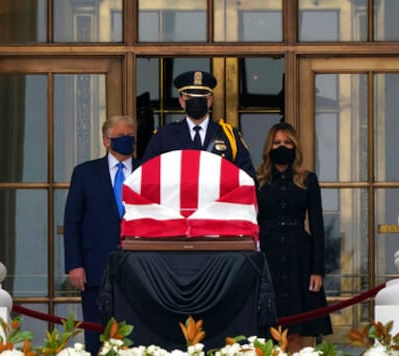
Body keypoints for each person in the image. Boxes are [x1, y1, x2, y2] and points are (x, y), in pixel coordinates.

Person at [63, 115, 140, 354]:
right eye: (121, 137)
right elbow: (72, 222)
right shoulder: (85, 173)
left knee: (136, 336)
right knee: (97, 336)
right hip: (96, 268)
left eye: (131, 136)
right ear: (106, 141)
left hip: (140, 268)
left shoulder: (147, 170)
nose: (127, 140)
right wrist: (75, 265)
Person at [256, 122, 332, 352]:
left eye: (288, 143)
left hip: (298, 256)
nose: (282, 147)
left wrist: (317, 269)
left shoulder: (308, 179)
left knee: (297, 327)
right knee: (266, 326)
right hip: (267, 254)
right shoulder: (257, 180)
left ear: (295, 147)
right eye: (277, 143)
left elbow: (317, 227)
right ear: (269, 147)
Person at [141, 70, 256, 179]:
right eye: (190, 97)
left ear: (210, 100)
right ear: (181, 101)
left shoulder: (230, 136)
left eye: (201, 97)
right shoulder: (164, 136)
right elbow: (146, 176)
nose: (196, 101)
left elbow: (247, 178)